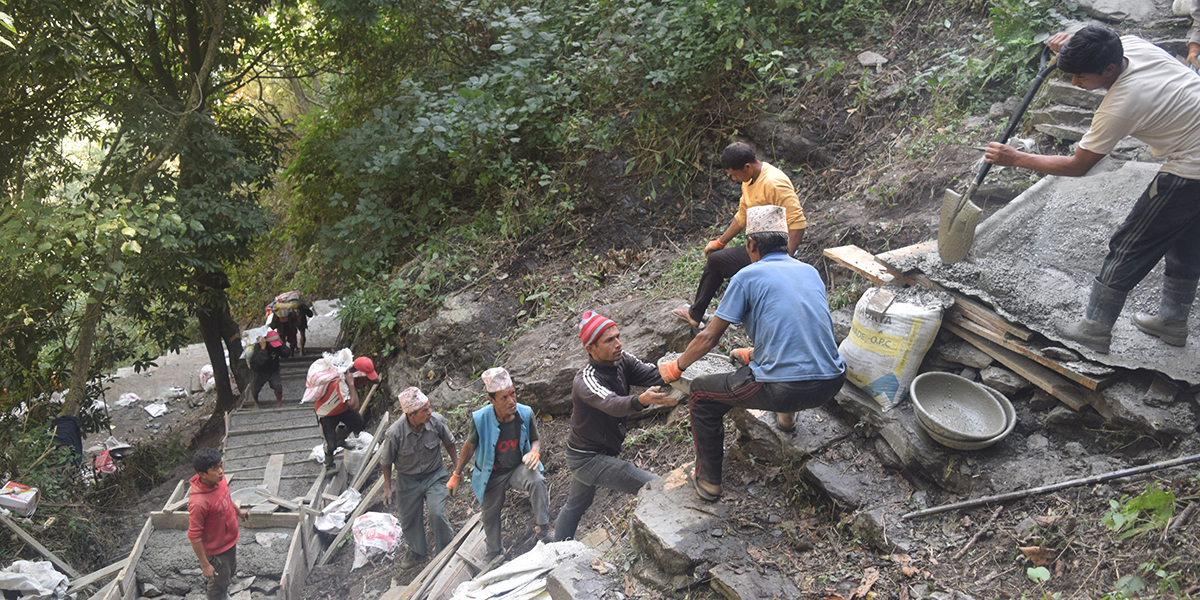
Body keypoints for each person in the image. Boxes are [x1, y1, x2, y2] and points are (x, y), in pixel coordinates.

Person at [984, 26, 1200, 353]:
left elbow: (1078, 165)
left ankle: (1094, 329)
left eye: (1080, 77)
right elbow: (1104, 35)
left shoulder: (1122, 103)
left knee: (1131, 242)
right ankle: (1172, 322)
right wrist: (1070, 38)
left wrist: (1016, 159)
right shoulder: (1130, 46)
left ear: (1109, 70)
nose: (1074, 83)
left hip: (1192, 168)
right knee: (1185, 239)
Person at [659, 205, 846, 502]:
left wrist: (676, 367)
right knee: (782, 368)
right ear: (785, 244)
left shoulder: (747, 276)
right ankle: (786, 421)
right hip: (833, 380)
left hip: (784, 388)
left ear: (751, 246)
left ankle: (708, 482)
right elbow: (798, 328)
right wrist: (757, 353)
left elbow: (708, 337)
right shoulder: (809, 272)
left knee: (700, 396)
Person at [553, 311, 678, 541]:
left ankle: (556, 546)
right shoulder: (586, 379)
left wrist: (682, 366)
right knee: (650, 484)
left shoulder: (622, 361)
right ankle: (676, 528)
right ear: (591, 348)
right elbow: (611, 403)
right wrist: (640, 400)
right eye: (609, 340)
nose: (618, 343)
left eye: (618, 336)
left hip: (598, 451)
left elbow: (652, 375)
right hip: (586, 458)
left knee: (575, 505)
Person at [673, 142, 808, 330]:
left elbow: (798, 223)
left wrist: (785, 259)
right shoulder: (749, 180)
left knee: (719, 264)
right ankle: (696, 314)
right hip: (756, 248)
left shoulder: (774, 183)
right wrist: (721, 242)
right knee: (717, 260)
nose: (734, 179)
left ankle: (711, 317)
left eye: (735, 174)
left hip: (775, 251)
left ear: (747, 166)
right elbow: (742, 216)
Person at [449, 367, 550, 559]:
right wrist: (456, 474)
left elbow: (535, 439)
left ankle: (544, 529)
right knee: (489, 514)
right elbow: (469, 447)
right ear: (491, 400)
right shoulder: (481, 419)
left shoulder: (525, 413)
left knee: (536, 480)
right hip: (492, 473)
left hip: (517, 468)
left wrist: (535, 451)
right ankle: (495, 552)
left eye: (513, 394)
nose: (512, 401)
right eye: (504, 397)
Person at [380, 387, 458, 570]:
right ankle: (416, 550)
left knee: (436, 512)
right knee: (409, 519)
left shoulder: (436, 421)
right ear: (411, 415)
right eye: (424, 410)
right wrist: (387, 487)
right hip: (408, 480)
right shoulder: (395, 433)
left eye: (429, 407)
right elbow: (385, 461)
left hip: (434, 475)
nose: (429, 412)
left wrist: (457, 470)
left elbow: (450, 443)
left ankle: (446, 548)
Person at [187, 449, 248, 600]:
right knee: (217, 586)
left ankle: (223, 593)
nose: (221, 471)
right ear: (202, 474)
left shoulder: (219, 481)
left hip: (229, 542)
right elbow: (194, 536)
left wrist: (237, 511)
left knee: (228, 573)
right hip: (217, 552)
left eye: (221, 466)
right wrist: (205, 565)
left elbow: (226, 498)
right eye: (215, 469)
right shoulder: (198, 503)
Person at [308, 353, 377, 468]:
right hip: (327, 413)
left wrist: (368, 374)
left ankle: (340, 438)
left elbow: (376, 380)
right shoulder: (340, 382)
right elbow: (355, 406)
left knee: (358, 422)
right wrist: (351, 384)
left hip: (342, 409)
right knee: (330, 443)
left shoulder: (354, 376)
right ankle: (329, 465)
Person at [249, 330, 291, 408]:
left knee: (278, 386)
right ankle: (256, 402)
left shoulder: (278, 346)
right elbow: (257, 363)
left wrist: (282, 344)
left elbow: (286, 354)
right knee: (255, 388)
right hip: (259, 371)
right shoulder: (258, 347)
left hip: (273, 369)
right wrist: (263, 349)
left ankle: (279, 403)